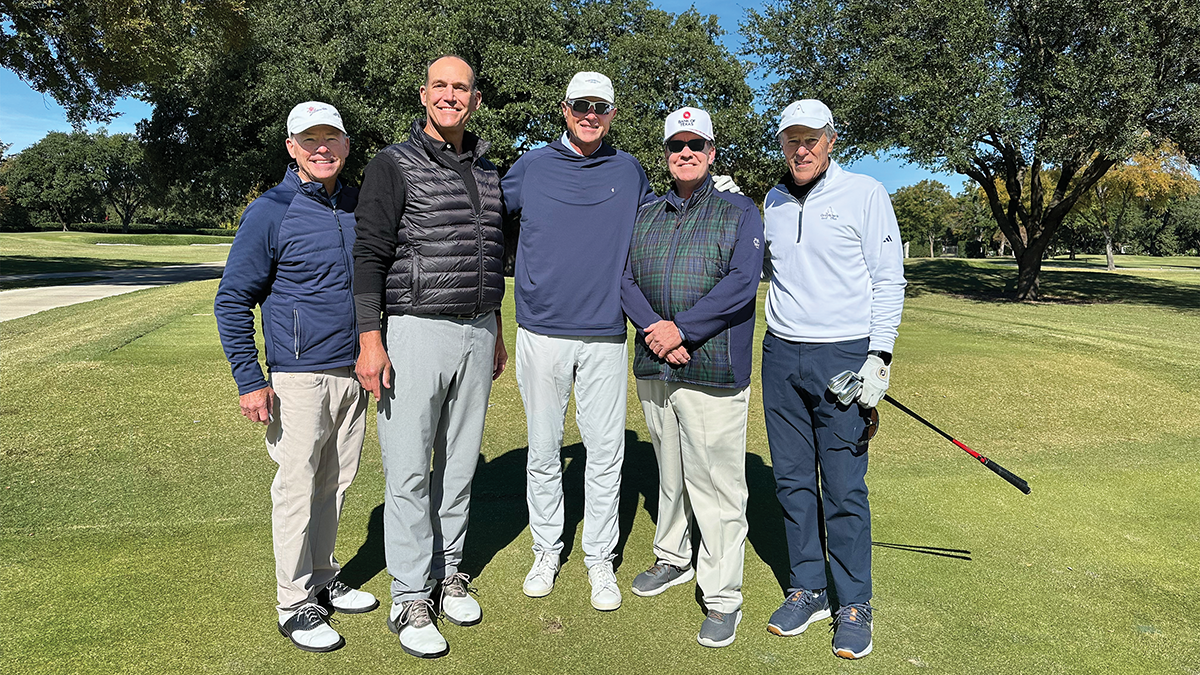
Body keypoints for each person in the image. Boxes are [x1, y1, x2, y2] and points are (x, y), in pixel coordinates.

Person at [352, 55, 507, 660]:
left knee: (460, 465)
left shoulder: (489, 168)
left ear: (472, 98)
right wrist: (371, 338)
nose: (451, 95)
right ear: (424, 95)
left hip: (477, 330)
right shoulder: (393, 163)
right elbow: (368, 253)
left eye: (461, 87)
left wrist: (493, 327)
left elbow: (490, 255)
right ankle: (410, 595)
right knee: (410, 468)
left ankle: (450, 572)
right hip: (414, 328)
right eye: (440, 86)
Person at [215, 101, 379, 654]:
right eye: (309, 140)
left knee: (336, 483)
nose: (322, 148)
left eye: (331, 137)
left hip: (354, 371)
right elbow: (234, 298)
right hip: (296, 374)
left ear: (346, 145)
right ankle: (294, 601)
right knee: (296, 488)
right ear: (291, 148)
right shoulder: (270, 210)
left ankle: (324, 578)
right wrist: (248, 378)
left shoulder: (359, 206)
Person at [760, 99, 906, 660]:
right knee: (793, 482)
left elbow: (889, 279)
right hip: (781, 354)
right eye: (791, 139)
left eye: (811, 139)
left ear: (831, 140)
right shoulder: (771, 200)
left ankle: (854, 602)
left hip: (843, 354)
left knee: (843, 487)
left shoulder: (865, 194)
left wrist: (879, 357)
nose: (801, 149)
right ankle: (809, 587)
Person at [500, 71, 652, 612]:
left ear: (612, 114)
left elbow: (661, 226)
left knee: (606, 455)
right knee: (543, 451)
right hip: (541, 332)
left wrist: (715, 194)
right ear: (564, 109)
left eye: (602, 107)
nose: (591, 115)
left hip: (607, 334)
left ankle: (599, 561)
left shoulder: (630, 170)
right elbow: (488, 223)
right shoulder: (530, 168)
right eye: (581, 105)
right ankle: (547, 550)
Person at [621, 107, 763, 648]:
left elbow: (741, 283)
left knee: (718, 486)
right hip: (656, 364)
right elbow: (625, 278)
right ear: (666, 153)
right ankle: (673, 556)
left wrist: (681, 329)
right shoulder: (647, 211)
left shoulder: (739, 209)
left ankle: (723, 595)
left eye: (695, 144)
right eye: (676, 144)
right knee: (670, 472)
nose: (685, 152)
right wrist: (656, 329)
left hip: (713, 369)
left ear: (710, 151)